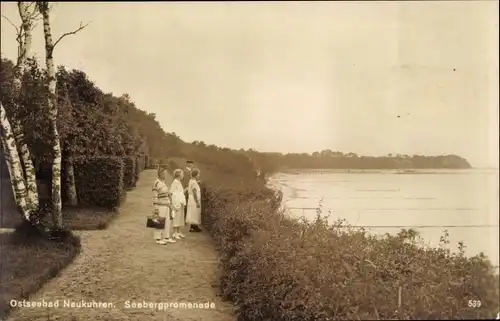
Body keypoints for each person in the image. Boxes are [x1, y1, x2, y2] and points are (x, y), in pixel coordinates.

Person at [152, 166, 175, 244]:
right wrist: (156, 208)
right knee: (159, 221)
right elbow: (155, 196)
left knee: (167, 222)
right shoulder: (157, 183)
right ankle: (158, 239)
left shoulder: (163, 183)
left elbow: (167, 193)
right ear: (160, 174)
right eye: (164, 173)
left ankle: (166, 237)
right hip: (160, 205)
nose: (166, 175)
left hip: (166, 205)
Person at [170, 169, 186, 239]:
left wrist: (185, 190)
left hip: (181, 202)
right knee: (176, 217)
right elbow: (171, 192)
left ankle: (178, 232)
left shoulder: (179, 182)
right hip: (176, 203)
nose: (183, 175)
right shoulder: (175, 182)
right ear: (179, 175)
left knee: (180, 217)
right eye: (182, 174)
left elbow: (180, 192)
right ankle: (174, 233)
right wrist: (172, 203)